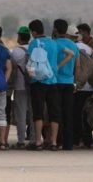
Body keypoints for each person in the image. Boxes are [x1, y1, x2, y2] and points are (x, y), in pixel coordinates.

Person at [26, 19, 63, 151]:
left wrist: (30, 76)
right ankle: (53, 141)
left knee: (38, 112)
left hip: (37, 82)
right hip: (52, 81)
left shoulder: (34, 43)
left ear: (34, 32)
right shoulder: (53, 43)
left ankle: (38, 141)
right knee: (54, 112)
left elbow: (29, 62)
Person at [53, 19, 78, 150]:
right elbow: (77, 66)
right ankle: (69, 143)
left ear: (55, 29)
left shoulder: (54, 44)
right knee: (68, 112)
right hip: (69, 82)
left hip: (56, 82)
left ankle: (57, 140)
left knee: (56, 112)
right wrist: (76, 81)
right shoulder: (74, 45)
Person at [72, 24, 93, 148]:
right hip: (90, 86)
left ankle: (77, 139)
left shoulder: (73, 48)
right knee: (87, 115)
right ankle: (87, 139)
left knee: (75, 114)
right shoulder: (89, 49)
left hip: (77, 86)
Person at [10, 26, 33, 148]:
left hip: (20, 85)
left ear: (19, 37)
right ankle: (34, 138)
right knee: (34, 113)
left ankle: (21, 140)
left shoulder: (16, 52)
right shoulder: (33, 49)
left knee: (21, 114)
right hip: (33, 85)